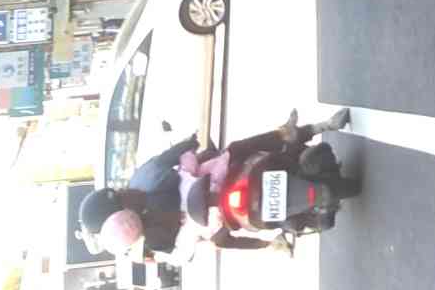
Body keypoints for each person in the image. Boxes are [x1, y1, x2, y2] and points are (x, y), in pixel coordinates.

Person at [80, 108, 350, 260]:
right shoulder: (143, 181)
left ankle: (279, 239)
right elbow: (178, 155)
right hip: (213, 185)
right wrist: (191, 143)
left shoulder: (148, 239)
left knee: (224, 239)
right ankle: (303, 131)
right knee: (237, 148)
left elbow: (184, 253)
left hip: (214, 212)